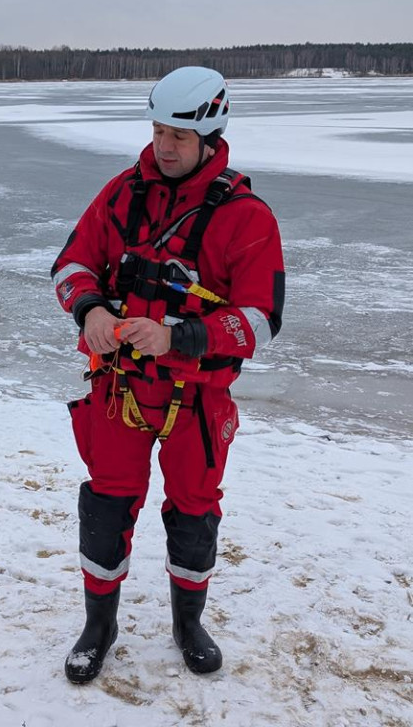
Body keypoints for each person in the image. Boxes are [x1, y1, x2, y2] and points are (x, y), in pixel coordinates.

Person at [51, 66, 285, 683]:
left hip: (198, 401)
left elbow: (261, 319)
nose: (164, 145)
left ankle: (188, 623)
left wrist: (181, 336)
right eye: (157, 131)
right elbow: (71, 262)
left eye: (178, 136)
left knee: (194, 512)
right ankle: (99, 625)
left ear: (211, 135)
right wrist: (90, 307)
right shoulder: (121, 193)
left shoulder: (247, 217)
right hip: (118, 392)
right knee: (105, 505)